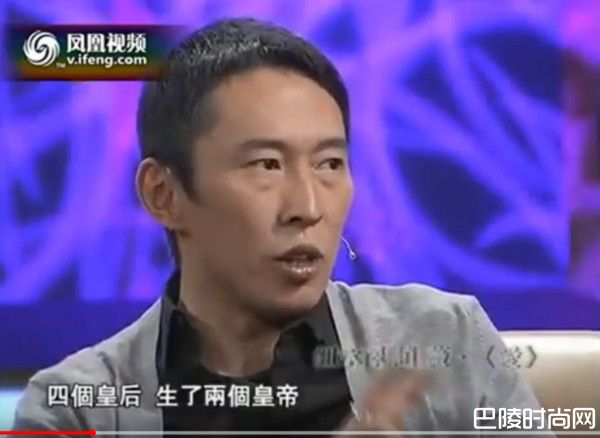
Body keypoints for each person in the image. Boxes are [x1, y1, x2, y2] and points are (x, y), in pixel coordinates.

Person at [12, 18, 554, 436]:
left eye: (330, 164)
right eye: (266, 165)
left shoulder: (445, 338)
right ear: (164, 195)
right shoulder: (75, 408)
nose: (308, 207)